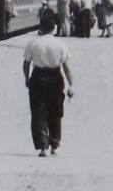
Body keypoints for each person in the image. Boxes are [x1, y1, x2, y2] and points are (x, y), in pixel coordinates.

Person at [22, 16, 74, 157]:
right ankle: (54, 146)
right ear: (54, 28)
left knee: (38, 112)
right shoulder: (61, 44)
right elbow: (67, 67)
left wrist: (27, 79)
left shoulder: (33, 43)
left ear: (41, 28)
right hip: (55, 78)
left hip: (38, 77)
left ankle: (43, 147)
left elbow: (26, 64)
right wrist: (71, 85)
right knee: (55, 112)